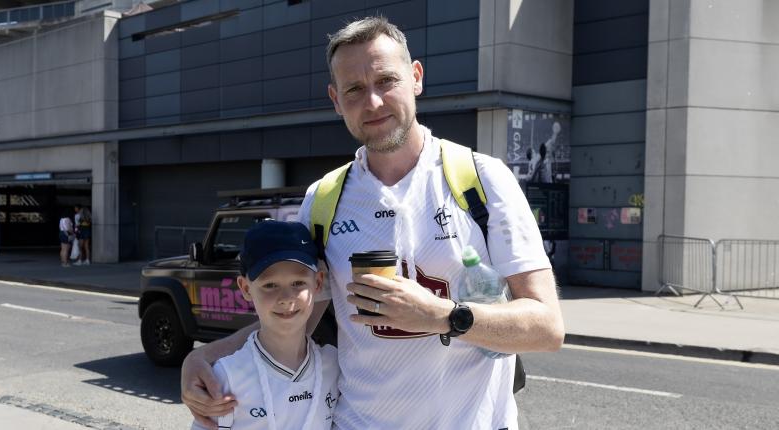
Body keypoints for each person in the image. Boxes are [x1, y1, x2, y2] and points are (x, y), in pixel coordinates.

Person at [182, 16, 564, 429]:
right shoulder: (324, 199)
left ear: (415, 77)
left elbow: (546, 327)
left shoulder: (481, 178)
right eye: (354, 90)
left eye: (386, 81)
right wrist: (205, 356)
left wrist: (443, 316)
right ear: (335, 99)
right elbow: (294, 322)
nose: (374, 102)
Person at [190, 220, 339, 430]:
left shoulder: (333, 365)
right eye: (270, 285)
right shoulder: (227, 375)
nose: (286, 298)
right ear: (245, 288)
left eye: (298, 283)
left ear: (317, 283)